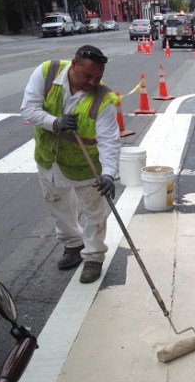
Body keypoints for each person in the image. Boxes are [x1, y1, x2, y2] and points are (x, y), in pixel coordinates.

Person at [20, 45, 120, 284]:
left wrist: (108, 174)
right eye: (88, 76)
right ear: (74, 65)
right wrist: (54, 122)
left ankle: (94, 257)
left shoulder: (103, 100)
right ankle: (73, 245)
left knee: (94, 213)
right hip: (49, 159)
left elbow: (109, 140)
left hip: (84, 166)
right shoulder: (47, 72)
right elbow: (28, 109)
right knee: (58, 206)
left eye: (98, 77)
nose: (93, 82)